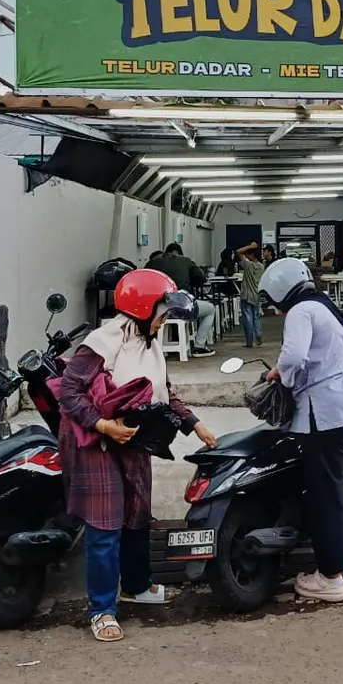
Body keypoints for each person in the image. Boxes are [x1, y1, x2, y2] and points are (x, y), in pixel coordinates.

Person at [58, 268, 218, 643]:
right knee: (105, 526)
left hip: (132, 439)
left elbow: (164, 393)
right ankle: (102, 609)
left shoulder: (149, 344)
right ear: (144, 308)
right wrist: (102, 425)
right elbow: (69, 391)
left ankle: (136, 586)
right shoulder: (102, 343)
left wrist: (194, 424)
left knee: (136, 517)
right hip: (97, 442)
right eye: (163, 312)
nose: (165, 320)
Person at [259, 258, 343, 603]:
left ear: (280, 291)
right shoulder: (325, 306)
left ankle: (330, 576)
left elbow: (294, 357)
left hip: (326, 413)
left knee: (325, 494)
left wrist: (281, 376)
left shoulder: (300, 311)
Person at [146, 243, 216, 357]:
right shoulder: (186, 261)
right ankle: (199, 346)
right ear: (180, 253)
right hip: (181, 307)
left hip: (158, 309)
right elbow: (201, 279)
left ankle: (155, 348)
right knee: (210, 309)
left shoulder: (152, 263)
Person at [234, 242, 265, 348]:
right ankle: (258, 334)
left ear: (252, 255)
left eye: (248, 254)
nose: (246, 256)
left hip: (247, 295)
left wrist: (250, 246)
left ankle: (249, 341)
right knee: (256, 317)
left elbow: (238, 251)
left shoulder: (248, 265)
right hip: (257, 295)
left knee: (248, 319)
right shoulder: (262, 267)